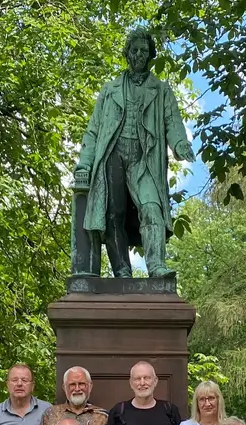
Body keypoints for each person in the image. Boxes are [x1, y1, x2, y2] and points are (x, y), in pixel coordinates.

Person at [71, 27, 194, 278]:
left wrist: (180, 144)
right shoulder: (110, 90)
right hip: (113, 155)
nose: (139, 55)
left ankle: (157, 266)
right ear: (127, 53)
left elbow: (173, 122)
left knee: (152, 207)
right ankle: (122, 271)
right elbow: (94, 130)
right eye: (135, 50)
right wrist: (85, 163)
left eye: (144, 51)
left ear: (150, 55)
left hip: (144, 158)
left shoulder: (161, 90)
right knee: (113, 214)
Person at [34, 366, 109, 425]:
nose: (77, 389)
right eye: (72, 384)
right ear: (64, 388)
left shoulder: (103, 417)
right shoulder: (50, 414)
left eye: (81, 384)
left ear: (90, 386)